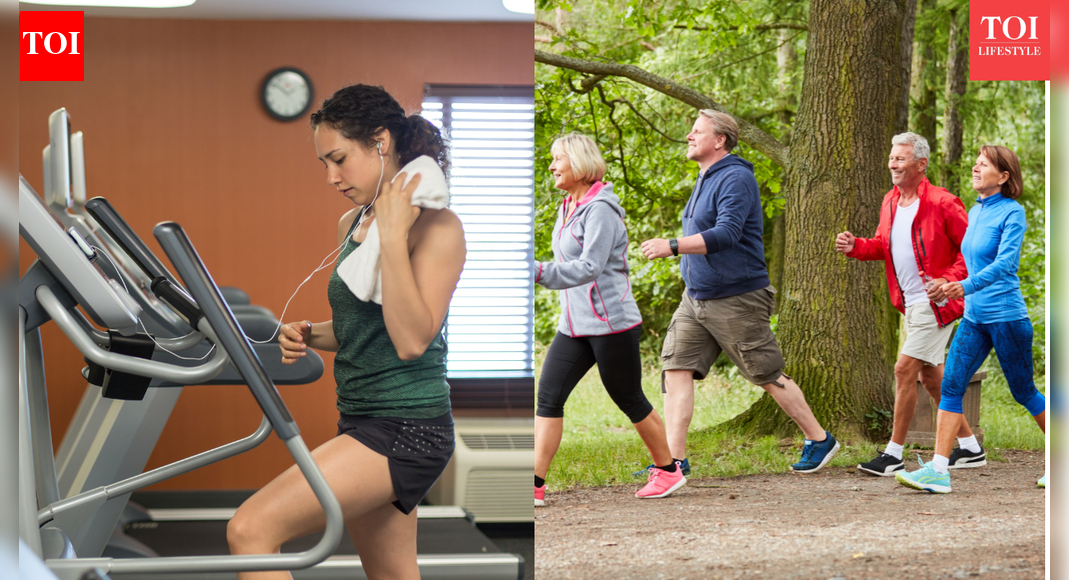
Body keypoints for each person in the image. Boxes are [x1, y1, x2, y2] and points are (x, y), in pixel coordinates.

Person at [226, 84, 466, 580]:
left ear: (380, 142)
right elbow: (365, 325)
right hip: (361, 416)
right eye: (324, 165)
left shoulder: (438, 228)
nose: (332, 177)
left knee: (250, 531)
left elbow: (411, 339)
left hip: (407, 427)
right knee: (392, 574)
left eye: (339, 159)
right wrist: (311, 333)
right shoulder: (353, 222)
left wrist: (395, 235)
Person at [640, 110, 838, 474]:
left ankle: (819, 438)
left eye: (697, 131)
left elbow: (728, 233)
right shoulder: (705, 177)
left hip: (736, 297)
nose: (688, 135)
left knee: (766, 373)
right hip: (696, 296)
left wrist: (673, 245)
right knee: (676, 368)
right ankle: (673, 463)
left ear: (720, 140)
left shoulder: (735, 177)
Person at [534, 132, 684, 505]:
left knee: (629, 398)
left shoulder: (601, 208)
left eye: (558, 159)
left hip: (610, 323)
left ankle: (668, 471)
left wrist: (537, 271)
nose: (551, 165)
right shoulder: (568, 204)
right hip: (573, 325)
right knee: (549, 397)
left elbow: (588, 267)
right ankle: (534, 483)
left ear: (580, 163)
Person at [896, 145, 1046, 493]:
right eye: (976, 163)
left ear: (1004, 176)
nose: (976, 169)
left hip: (1007, 317)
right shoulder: (976, 212)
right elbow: (967, 262)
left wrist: (963, 286)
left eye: (984, 165)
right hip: (974, 318)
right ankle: (938, 471)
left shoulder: (1013, 213)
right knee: (950, 386)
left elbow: (1005, 265)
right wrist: (947, 283)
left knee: (1023, 391)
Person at [835, 133, 982, 477]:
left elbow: (972, 251)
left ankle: (893, 454)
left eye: (900, 159)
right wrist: (856, 245)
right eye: (892, 158)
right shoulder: (890, 201)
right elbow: (883, 246)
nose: (892, 164)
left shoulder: (944, 202)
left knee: (904, 370)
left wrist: (948, 281)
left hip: (937, 304)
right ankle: (972, 449)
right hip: (910, 304)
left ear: (921, 164)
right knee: (932, 380)